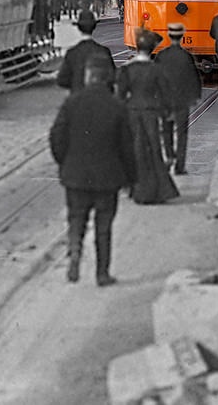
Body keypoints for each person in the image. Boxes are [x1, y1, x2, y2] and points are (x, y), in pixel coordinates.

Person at [49, 60, 138, 286]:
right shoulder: (117, 106)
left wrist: (65, 162)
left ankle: (75, 248)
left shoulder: (71, 103)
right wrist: (131, 178)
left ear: (89, 76)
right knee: (104, 226)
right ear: (107, 79)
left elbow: (56, 137)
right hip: (108, 178)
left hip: (76, 176)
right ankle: (102, 273)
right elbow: (128, 147)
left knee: (76, 217)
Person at [119, 29, 178, 204]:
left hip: (132, 113)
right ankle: (157, 190)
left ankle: (136, 189)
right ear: (152, 49)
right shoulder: (156, 70)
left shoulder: (127, 70)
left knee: (135, 150)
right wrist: (168, 112)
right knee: (153, 150)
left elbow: (120, 95)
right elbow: (165, 94)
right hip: (151, 114)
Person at [154, 22, 203, 175]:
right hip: (182, 101)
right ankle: (180, 166)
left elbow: (156, 78)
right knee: (182, 134)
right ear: (181, 37)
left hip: (165, 100)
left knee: (166, 131)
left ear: (169, 36)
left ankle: (169, 156)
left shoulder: (161, 55)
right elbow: (193, 78)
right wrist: (195, 96)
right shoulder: (186, 56)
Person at [55, 9, 117, 93]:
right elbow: (113, 77)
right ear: (94, 27)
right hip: (100, 98)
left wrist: (75, 83)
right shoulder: (104, 51)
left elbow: (62, 80)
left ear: (79, 28)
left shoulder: (72, 53)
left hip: (78, 99)